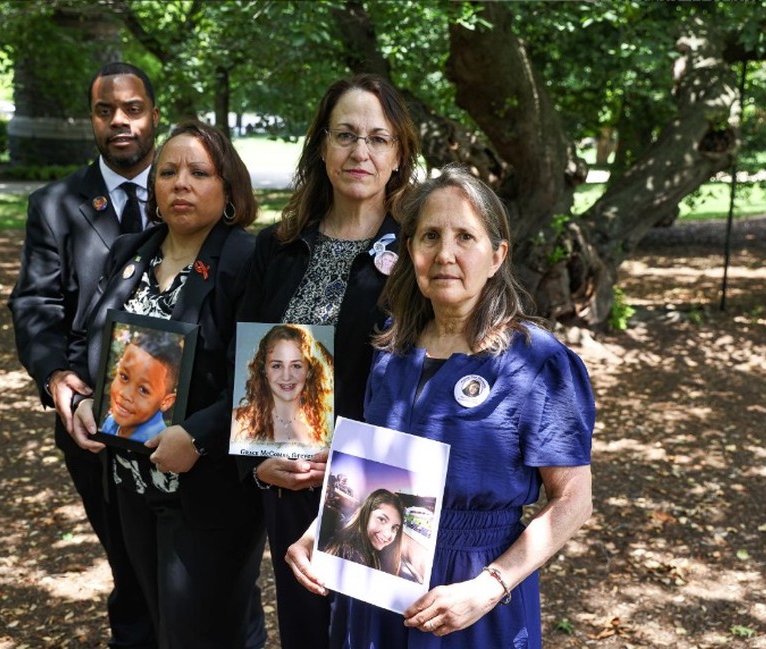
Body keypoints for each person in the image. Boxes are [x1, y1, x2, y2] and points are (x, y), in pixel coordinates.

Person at [286, 165, 595, 648]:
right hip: (376, 581)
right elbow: (378, 475)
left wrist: (488, 587)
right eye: (429, 235)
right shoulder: (391, 350)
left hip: (471, 591)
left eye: (465, 237)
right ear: (410, 250)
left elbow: (573, 499)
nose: (444, 254)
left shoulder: (538, 361)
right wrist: (320, 531)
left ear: (497, 255)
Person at [238, 73, 420, 649]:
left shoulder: (417, 252)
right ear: (322, 147)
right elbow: (245, 367)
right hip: (290, 484)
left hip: (374, 494)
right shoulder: (278, 247)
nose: (359, 152)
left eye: (377, 138)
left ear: (398, 156)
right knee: (307, 632)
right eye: (344, 135)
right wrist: (255, 464)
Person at [68, 120, 266, 649]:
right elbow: (92, 343)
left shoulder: (248, 261)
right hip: (132, 486)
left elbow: (265, 383)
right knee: (158, 625)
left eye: (199, 172)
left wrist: (197, 435)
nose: (181, 183)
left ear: (229, 188)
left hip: (210, 493)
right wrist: (88, 399)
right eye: (169, 172)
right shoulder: (130, 252)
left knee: (202, 634)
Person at [7, 61, 159, 647]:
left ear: (152, 114)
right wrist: (57, 381)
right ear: (92, 119)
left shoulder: (187, 188)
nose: (119, 121)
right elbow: (35, 304)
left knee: (194, 573)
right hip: (94, 424)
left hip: (185, 425)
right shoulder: (55, 205)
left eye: (132, 108)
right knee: (131, 572)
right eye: (105, 111)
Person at [231, 324, 333, 446]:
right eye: (277, 366)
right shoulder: (238, 421)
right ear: (264, 370)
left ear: (309, 371)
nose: (286, 376)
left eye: (296, 366)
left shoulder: (326, 427)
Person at [98, 332, 180, 442]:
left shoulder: (157, 443)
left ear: (166, 402)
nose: (125, 394)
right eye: (124, 377)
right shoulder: (111, 421)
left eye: (143, 390)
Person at [323, 488, 405, 576]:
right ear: (366, 514)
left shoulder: (375, 553)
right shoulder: (350, 554)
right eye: (382, 520)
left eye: (394, 528)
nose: (387, 534)